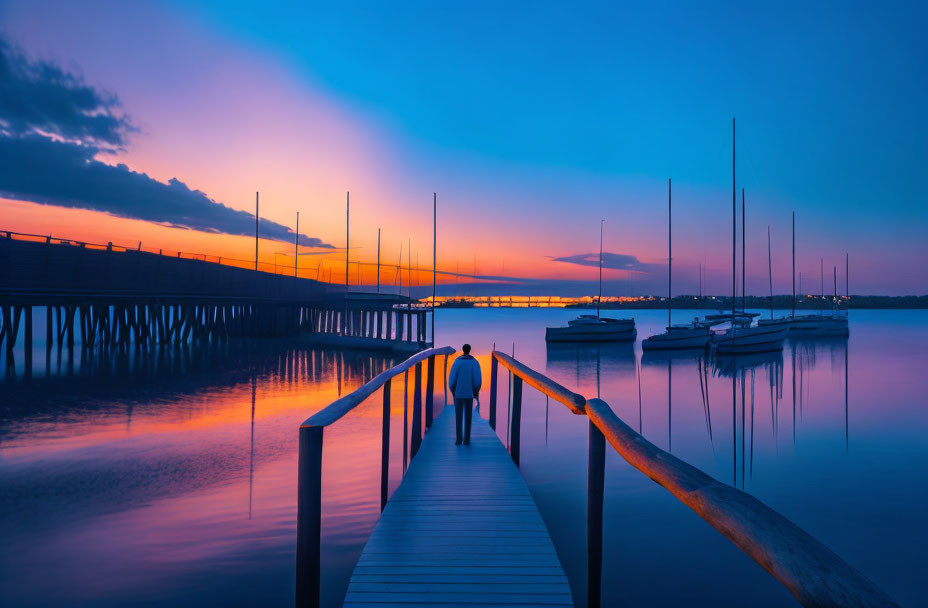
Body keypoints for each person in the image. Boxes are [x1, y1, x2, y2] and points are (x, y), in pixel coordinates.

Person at [448, 343, 482, 445]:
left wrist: (453, 390)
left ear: (463, 350)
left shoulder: (457, 362)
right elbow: (477, 380)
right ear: (470, 350)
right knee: (468, 417)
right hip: (469, 394)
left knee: (458, 417)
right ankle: (467, 439)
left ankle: (459, 439)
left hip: (458, 393)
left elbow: (452, 380)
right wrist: (476, 391)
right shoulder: (475, 363)